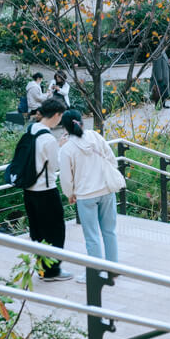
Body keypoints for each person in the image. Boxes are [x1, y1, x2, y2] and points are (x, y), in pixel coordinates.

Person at [58, 109, 121, 263]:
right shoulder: (95, 136)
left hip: (85, 196)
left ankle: (96, 272)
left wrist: (70, 194)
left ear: (65, 128)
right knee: (110, 232)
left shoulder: (66, 148)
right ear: (81, 121)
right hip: (106, 190)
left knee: (92, 237)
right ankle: (113, 268)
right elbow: (112, 159)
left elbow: (66, 178)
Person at [24, 98, 71, 282]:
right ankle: (52, 271)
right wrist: (60, 147)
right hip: (45, 190)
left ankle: (42, 268)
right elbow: (54, 166)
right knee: (55, 231)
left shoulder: (31, 130)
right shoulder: (48, 138)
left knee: (37, 230)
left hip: (29, 189)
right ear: (57, 115)